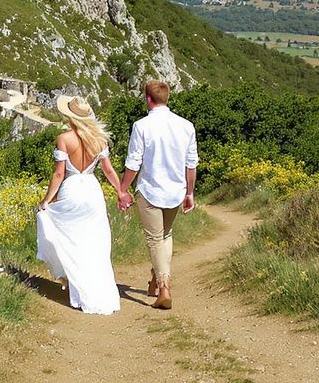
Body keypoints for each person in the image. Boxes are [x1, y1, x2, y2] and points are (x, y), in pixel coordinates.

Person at [35, 94, 125, 315]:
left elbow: (58, 174)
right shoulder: (99, 140)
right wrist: (121, 191)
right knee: (95, 243)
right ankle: (99, 291)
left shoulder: (64, 139)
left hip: (72, 189)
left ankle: (71, 279)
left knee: (70, 239)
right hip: (93, 192)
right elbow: (109, 171)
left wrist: (46, 201)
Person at [117, 79, 198, 310]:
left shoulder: (141, 126)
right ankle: (155, 279)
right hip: (176, 190)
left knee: (154, 238)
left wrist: (123, 189)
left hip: (150, 190)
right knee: (166, 235)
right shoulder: (186, 126)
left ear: (148, 99)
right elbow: (191, 164)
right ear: (167, 98)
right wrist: (189, 192)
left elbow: (133, 163)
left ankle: (164, 288)